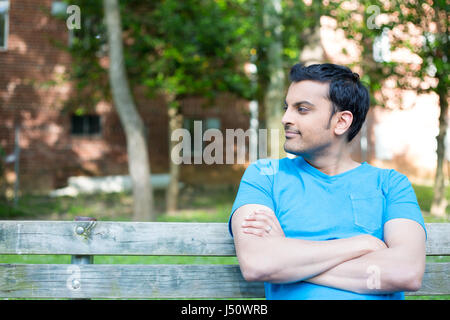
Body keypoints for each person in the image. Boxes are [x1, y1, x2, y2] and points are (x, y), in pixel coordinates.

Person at [228, 63, 427, 300]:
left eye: (301, 109)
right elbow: (258, 264)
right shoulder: (264, 175)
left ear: (341, 122)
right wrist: (362, 245)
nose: (285, 118)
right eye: (287, 107)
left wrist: (289, 264)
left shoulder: (391, 184)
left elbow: (406, 273)